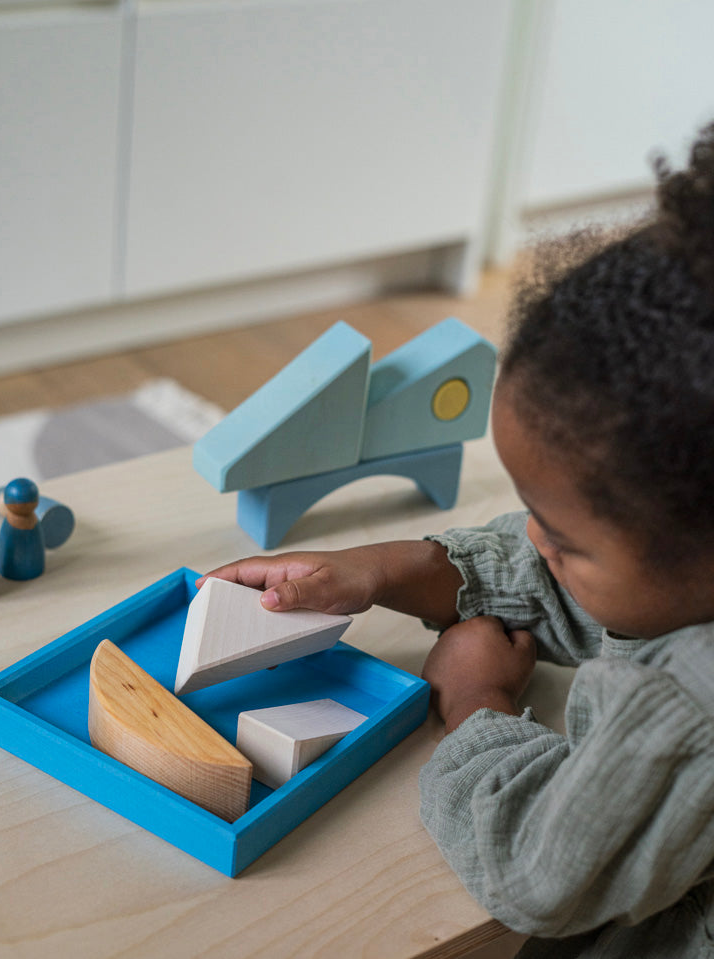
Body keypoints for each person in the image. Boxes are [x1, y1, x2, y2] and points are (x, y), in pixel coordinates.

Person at [200, 122, 714, 957]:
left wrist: (476, 704)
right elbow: (628, 589)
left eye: (566, 539)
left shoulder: (696, 701)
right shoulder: (685, 558)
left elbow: (540, 870)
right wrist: (392, 566)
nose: (535, 541)